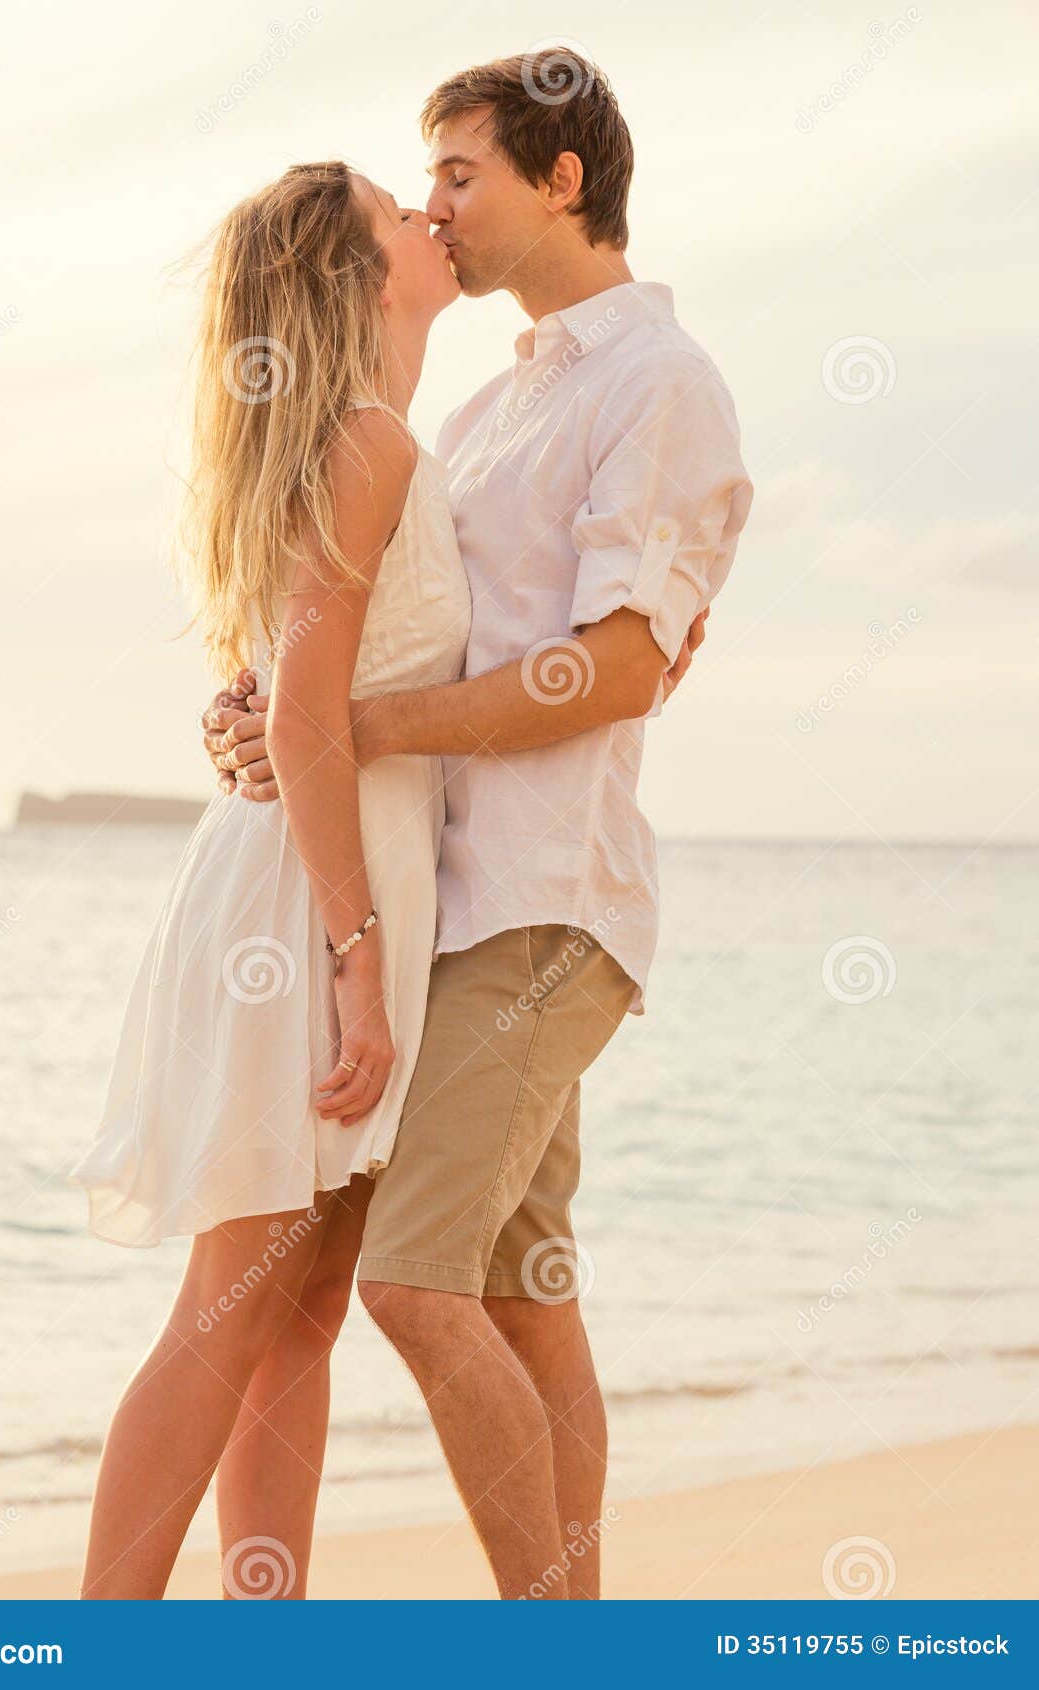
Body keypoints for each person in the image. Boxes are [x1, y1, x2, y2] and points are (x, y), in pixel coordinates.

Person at [202, 49, 753, 1599]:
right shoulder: (505, 397)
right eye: (425, 178)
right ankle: (574, 1619)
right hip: (449, 899)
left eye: (459, 173)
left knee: (412, 1283)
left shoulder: (659, 382)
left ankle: (551, 1636)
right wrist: (267, 710)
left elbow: (623, 664)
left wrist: (354, 730)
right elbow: (395, 632)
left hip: (539, 904)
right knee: (524, 1297)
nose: (434, 205)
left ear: (561, 180)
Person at [68, 157, 470, 1598]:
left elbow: (281, 696)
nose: (428, 217)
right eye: (396, 211)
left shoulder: (363, 435)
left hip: (329, 883)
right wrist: (360, 958)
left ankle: (260, 1631)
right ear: (355, 274)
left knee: (296, 1319)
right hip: (308, 907)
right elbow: (298, 718)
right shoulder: (364, 441)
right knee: (228, 1308)